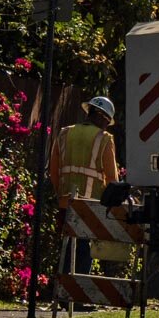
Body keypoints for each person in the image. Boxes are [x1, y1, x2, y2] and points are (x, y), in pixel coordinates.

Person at [47, 96, 121, 274]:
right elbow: (112, 179)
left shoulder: (64, 133)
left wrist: (61, 195)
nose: (106, 126)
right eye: (107, 122)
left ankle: (63, 294)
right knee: (83, 249)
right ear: (103, 117)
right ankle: (76, 295)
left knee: (66, 246)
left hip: (66, 202)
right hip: (90, 205)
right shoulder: (104, 139)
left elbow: (53, 170)